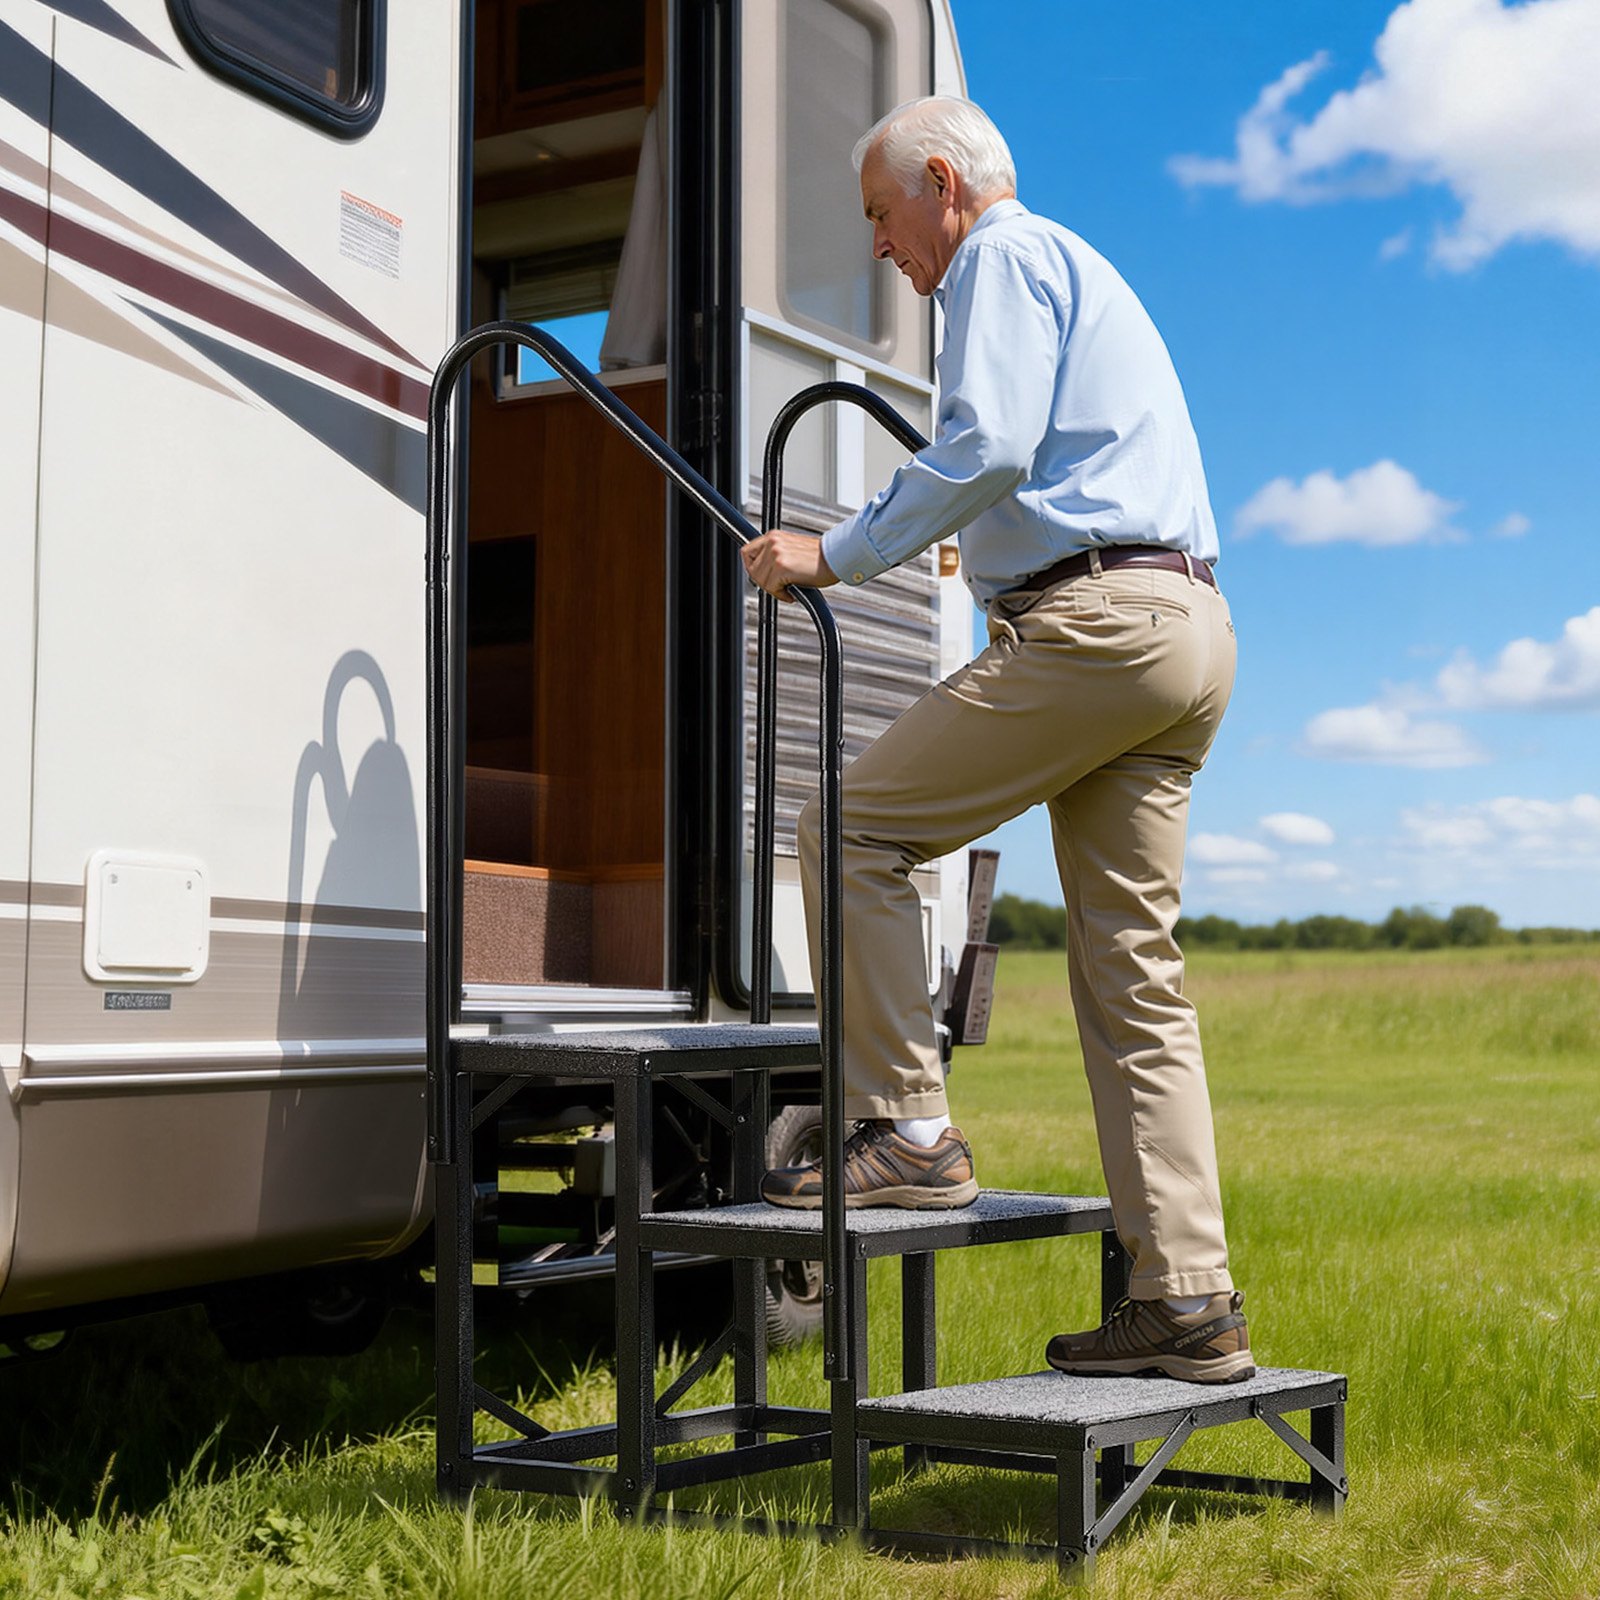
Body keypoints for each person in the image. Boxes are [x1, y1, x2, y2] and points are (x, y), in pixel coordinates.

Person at [740, 97, 1252, 1383]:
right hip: (1183, 625)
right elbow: (1039, 469)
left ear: (939, 184)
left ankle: (908, 1129)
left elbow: (987, 441)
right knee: (1133, 979)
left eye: (878, 213)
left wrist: (834, 553)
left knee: (846, 824)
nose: (879, 246)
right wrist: (994, 547)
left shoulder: (1000, 257)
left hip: (1102, 629)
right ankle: (1187, 1298)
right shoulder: (1074, 266)